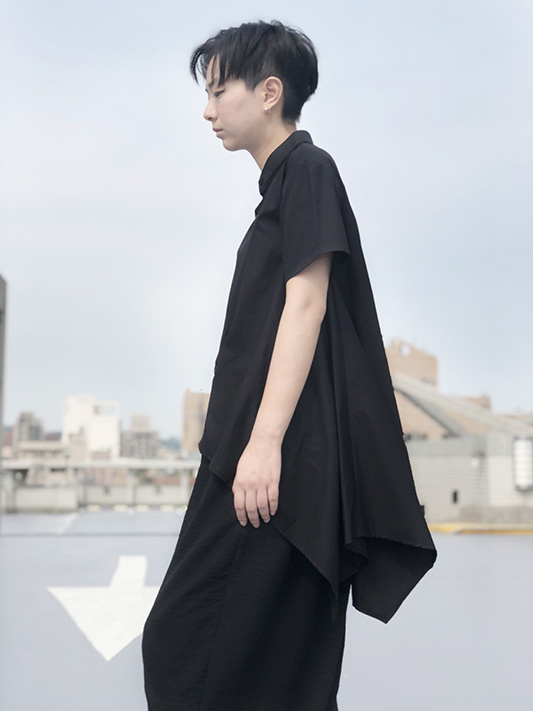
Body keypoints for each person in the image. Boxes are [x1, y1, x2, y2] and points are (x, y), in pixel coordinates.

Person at [142, 19, 437, 711]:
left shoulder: (307, 169)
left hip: (271, 467)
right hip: (262, 461)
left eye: (219, 91)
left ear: (269, 92)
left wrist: (264, 443)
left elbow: (307, 303)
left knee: (185, 645)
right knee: (276, 666)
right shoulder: (284, 186)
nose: (207, 110)